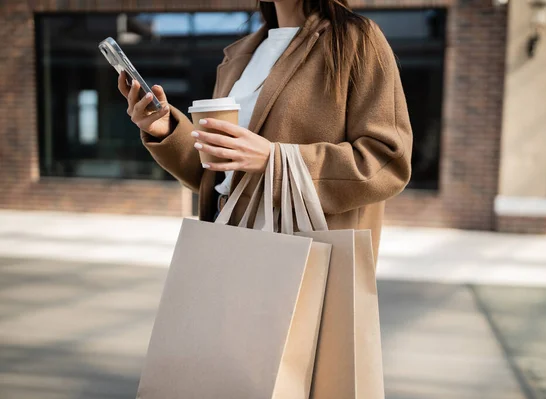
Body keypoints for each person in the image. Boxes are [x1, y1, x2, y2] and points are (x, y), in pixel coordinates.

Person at [118, 0, 413, 258]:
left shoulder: (354, 39)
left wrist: (274, 160)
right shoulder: (241, 55)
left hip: (301, 248)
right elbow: (220, 175)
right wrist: (166, 129)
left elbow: (386, 163)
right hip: (226, 230)